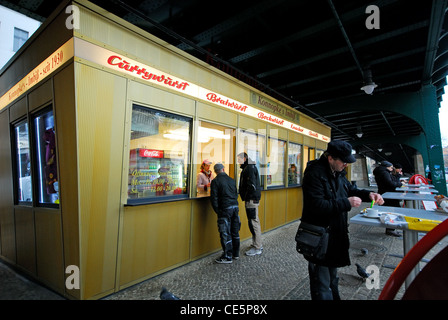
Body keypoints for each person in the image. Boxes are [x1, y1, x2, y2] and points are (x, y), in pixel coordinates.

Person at [300, 140, 384, 300]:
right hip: (320, 238)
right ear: (330, 158)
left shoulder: (337, 172)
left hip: (335, 236)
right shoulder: (314, 173)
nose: (346, 165)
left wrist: (368, 195)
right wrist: (347, 203)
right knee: (322, 283)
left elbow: (350, 189)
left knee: (333, 278)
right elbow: (316, 205)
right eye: (343, 161)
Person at [210, 163, 240, 264]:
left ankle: (227, 256)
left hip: (225, 209)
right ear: (223, 169)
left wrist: (218, 211)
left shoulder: (215, 181)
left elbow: (214, 199)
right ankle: (236, 253)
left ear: (215, 171)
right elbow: (236, 194)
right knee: (234, 231)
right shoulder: (231, 180)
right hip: (235, 207)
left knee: (225, 232)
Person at [237, 152, 263, 256]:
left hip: (251, 199)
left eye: (239, 159)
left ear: (244, 158)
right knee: (253, 221)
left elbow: (251, 185)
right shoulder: (248, 167)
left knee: (253, 222)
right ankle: (256, 244)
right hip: (251, 198)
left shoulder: (249, 168)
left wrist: (246, 196)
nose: (238, 161)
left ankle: (257, 247)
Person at [373, 161, 403, 236]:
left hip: (384, 193)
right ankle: (390, 229)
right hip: (389, 195)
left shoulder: (380, 172)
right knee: (393, 211)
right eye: (391, 167)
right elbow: (390, 183)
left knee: (389, 211)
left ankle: (390, 228)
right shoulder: (384, 173)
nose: (392, 169)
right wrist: (400, 184)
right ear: (387, 167)